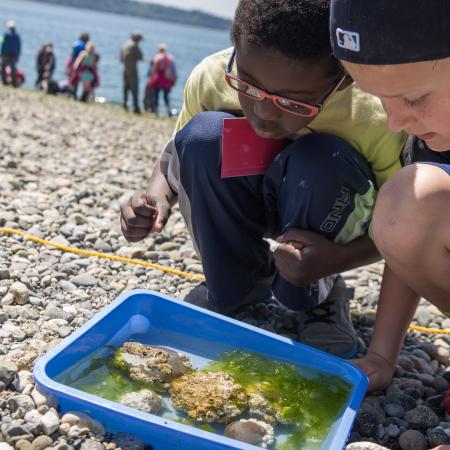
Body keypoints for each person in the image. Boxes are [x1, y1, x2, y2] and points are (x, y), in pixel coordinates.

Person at [120, 0, 406, 359]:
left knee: (321, 161)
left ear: (344, 78)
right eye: (249, 87)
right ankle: (241, 284)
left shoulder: (374, 116)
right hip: (250, 194)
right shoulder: (212, 75)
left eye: (295, 103)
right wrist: (154, 197)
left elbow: (399, 230)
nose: (265, 114)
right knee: (205, 136)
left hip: (324, 212)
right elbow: (174, 157)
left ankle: (317, 294)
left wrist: (335, 260)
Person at [330, 0, 450, 391]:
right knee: (407, 204)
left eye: (414, 100)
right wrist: (381, 356)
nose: (395, 122)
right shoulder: (429, 135)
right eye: (380, 99)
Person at [148, 43, 176, 117]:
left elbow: (154, 69)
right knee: (166, 96)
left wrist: (151, 78)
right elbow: (174, 70)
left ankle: (156, 112)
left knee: (156, 95)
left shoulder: (158, 57)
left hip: (159, 78)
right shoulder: (170, 58)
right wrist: (174, 79)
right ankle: (169, 111)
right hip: (167, 80)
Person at [120, 32, 144, 113]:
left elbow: (121, 58)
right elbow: (141, 57)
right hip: (133, 71)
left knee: (125, 88)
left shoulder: (125, 44)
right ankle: (136, 107)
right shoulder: (134, 46)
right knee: (134, 89)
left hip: (125, 69)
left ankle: (124, 104)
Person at [68, 32, 89, 99]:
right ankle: (74, 94)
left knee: (71, 79)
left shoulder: (75, 43)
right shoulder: (84, 45)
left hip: (71, 62)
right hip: (79, 65)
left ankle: (70, 93)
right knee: (76, 80)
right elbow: (83, 56)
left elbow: (71, 54)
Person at [1, 20, 21, 87]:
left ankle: (4, 81)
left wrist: (1, 53)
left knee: (4, 68)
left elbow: (2, 45)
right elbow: (18, 47)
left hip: (6, 54)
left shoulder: (6, 35)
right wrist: (17, 56)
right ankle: (14, 83)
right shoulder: (17, 36)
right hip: (13, 55)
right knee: (13, 69)